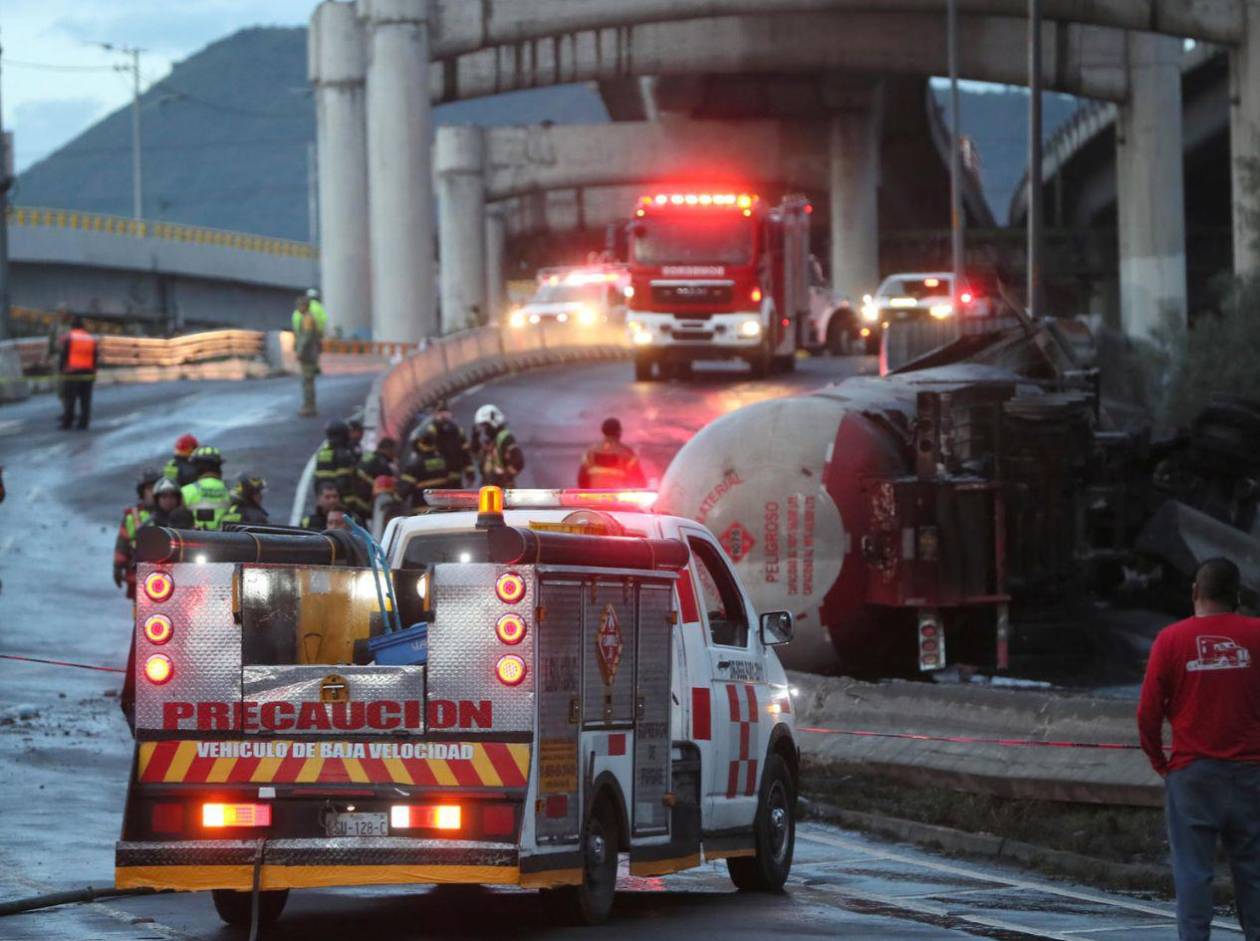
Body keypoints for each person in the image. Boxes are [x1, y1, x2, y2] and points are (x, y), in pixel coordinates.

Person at [1138, 557, 1260, 941]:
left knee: (1193, 873)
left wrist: (1161, 763)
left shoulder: (1170, 640)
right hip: (1252, 774)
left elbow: (1148, 713)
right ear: (1237, 596)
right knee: (1254, 872)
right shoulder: (1257, 635)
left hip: (1191, 776)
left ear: (1195, 592)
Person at [113, 467, 160, 599]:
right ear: (142, 492)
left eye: (156, 488)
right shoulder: (132, 516)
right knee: (140, 609)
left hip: (165, 575)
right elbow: (122, 544)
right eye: (149, 489)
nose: (153, 492)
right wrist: (118, 568)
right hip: (138, 576)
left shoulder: (170, 513)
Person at [577, 417, 647, 489]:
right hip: (618, 495)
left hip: (595, 495)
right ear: (619, 432)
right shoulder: (627, 453)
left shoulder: (590, 452)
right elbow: (640, 481)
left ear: (603, 431)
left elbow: (582, 480)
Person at [419, 400, 474, 488]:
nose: (443, 415)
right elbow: (423, 454)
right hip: (439, 477)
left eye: (445, 412)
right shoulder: (430, 432)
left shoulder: (457, 431)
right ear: (435, 414)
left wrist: (470, 473)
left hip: (455, 476)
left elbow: (465, 453)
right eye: (440, 412)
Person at [58, 315, 98, 430]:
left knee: (70, 399)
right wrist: (94, 371)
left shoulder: (69, 337)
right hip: (87, 372)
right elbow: (95, 356)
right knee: (85, 399)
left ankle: (68, 422)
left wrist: (62, 370)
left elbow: (64, 354)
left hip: (72, 372)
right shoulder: (90, 338)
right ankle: (84, 422)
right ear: (83, 326)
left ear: (72, 326)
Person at [180, 446, 232, 531]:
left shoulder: (186, 491)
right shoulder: (229, 491)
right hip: (225, 537)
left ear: (198, 466)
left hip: (193, 537)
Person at [473, 404, 524, 488]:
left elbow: (518, 462)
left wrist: (503, 477)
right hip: (490, 489)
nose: (484, 429)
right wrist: (475, 439)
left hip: (503, 490)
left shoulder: (505, 438)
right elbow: (477, 456)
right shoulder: (491, 441)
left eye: (485, 425)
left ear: (494, 422)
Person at [348, 437, 398, 520]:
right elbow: (388, 486)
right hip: (365, 501)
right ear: (388, 449)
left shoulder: (368, 455)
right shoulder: (383, 463)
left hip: (353, 497)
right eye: (394, 450)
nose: (395, 454)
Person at [401, 427, 452, 509]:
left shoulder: (415, 464)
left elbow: (404, 489)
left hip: (422, 509)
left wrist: (395, 500)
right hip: (442, 508)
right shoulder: (442, 461)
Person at [293, 295, 324, 417]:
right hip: (311, 353)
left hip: (308, 354)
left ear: (304, 306)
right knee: (308, 381)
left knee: (307, 381)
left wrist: (299, 351)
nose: (298, 308)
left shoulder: (307, 319)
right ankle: (309, 406)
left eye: (299, 305)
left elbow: (306, 337)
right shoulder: (308, 318)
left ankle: (309, 406)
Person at [315, 419, 358, 504]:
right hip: (341, 502)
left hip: (323, 498)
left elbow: (317, 480)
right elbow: (343, 481)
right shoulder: (343, 455)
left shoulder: (322, 452)